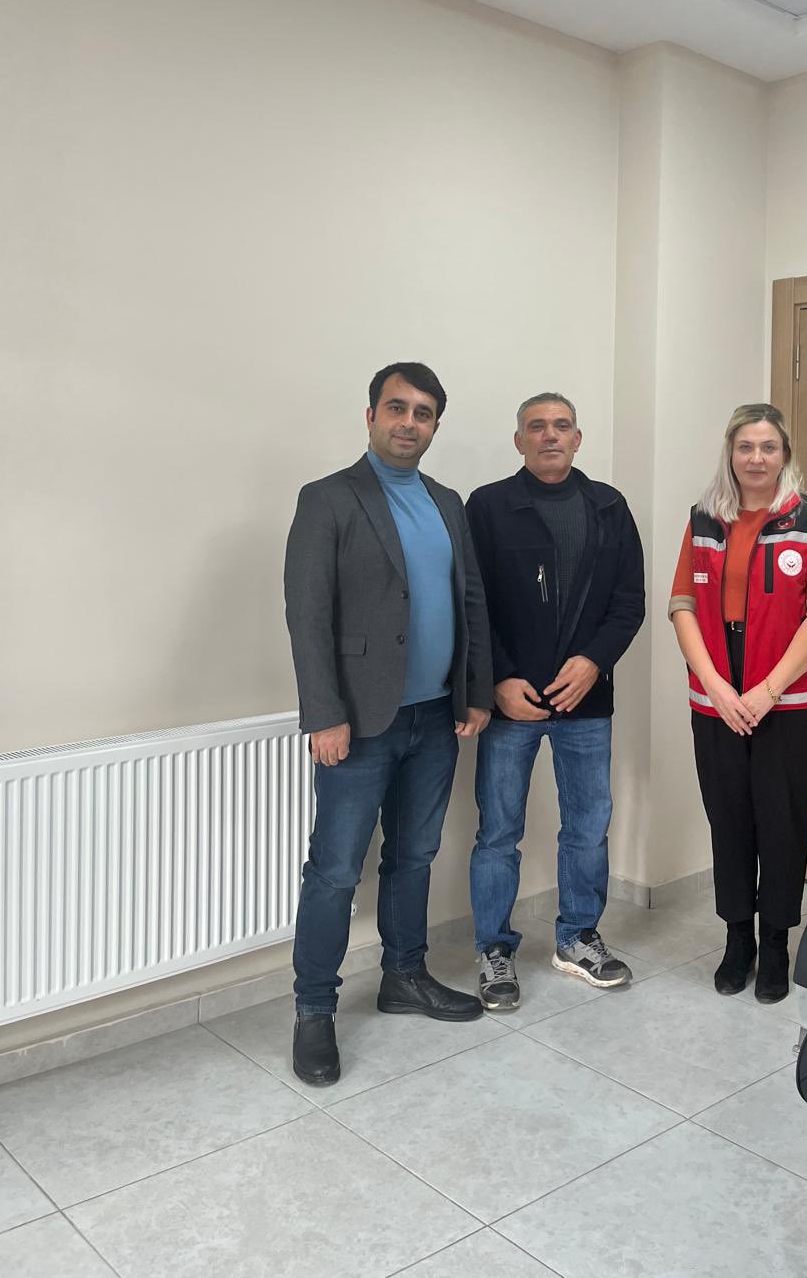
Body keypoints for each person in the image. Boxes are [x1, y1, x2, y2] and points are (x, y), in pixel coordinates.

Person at [284, 361, 492, 1085]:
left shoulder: (447, 502)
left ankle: (405, 977)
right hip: (360, 723)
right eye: (397, 408)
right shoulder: (328, 498)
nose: (409, 422)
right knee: (335, 869)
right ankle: (314, 1009)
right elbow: (307, 615)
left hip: (436, 718)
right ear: (371, 415)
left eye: (423, 412)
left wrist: (474, 692)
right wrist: (324, 715)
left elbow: (470, 600)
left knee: (414, 855)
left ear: (435, 425)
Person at [465, 392, 645, 1011]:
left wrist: (593, 662)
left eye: (561, 426)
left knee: (588, 826)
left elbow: (628, 602)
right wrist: (498, 679)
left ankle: (577, 938)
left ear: (578, 438)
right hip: (511, 702)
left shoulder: (609, 507)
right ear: (519, 441)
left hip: (586, 702)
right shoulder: (488, 506)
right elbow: (473, 603)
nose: (550, 436)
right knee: (498, 832)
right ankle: (494, 949)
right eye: (536, 427)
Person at [668, 402, 807, 1004]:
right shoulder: (704, 518)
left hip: (790, 703)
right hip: (716, 700)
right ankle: (737, 938)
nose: (757, 458)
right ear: (731, 453)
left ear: (784, 453)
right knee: (730, 823)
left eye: (768, 447)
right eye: (746, 447)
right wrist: (716, 687)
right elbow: (683, 606)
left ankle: (775, 942)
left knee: (782, 825)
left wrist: (767, 692)